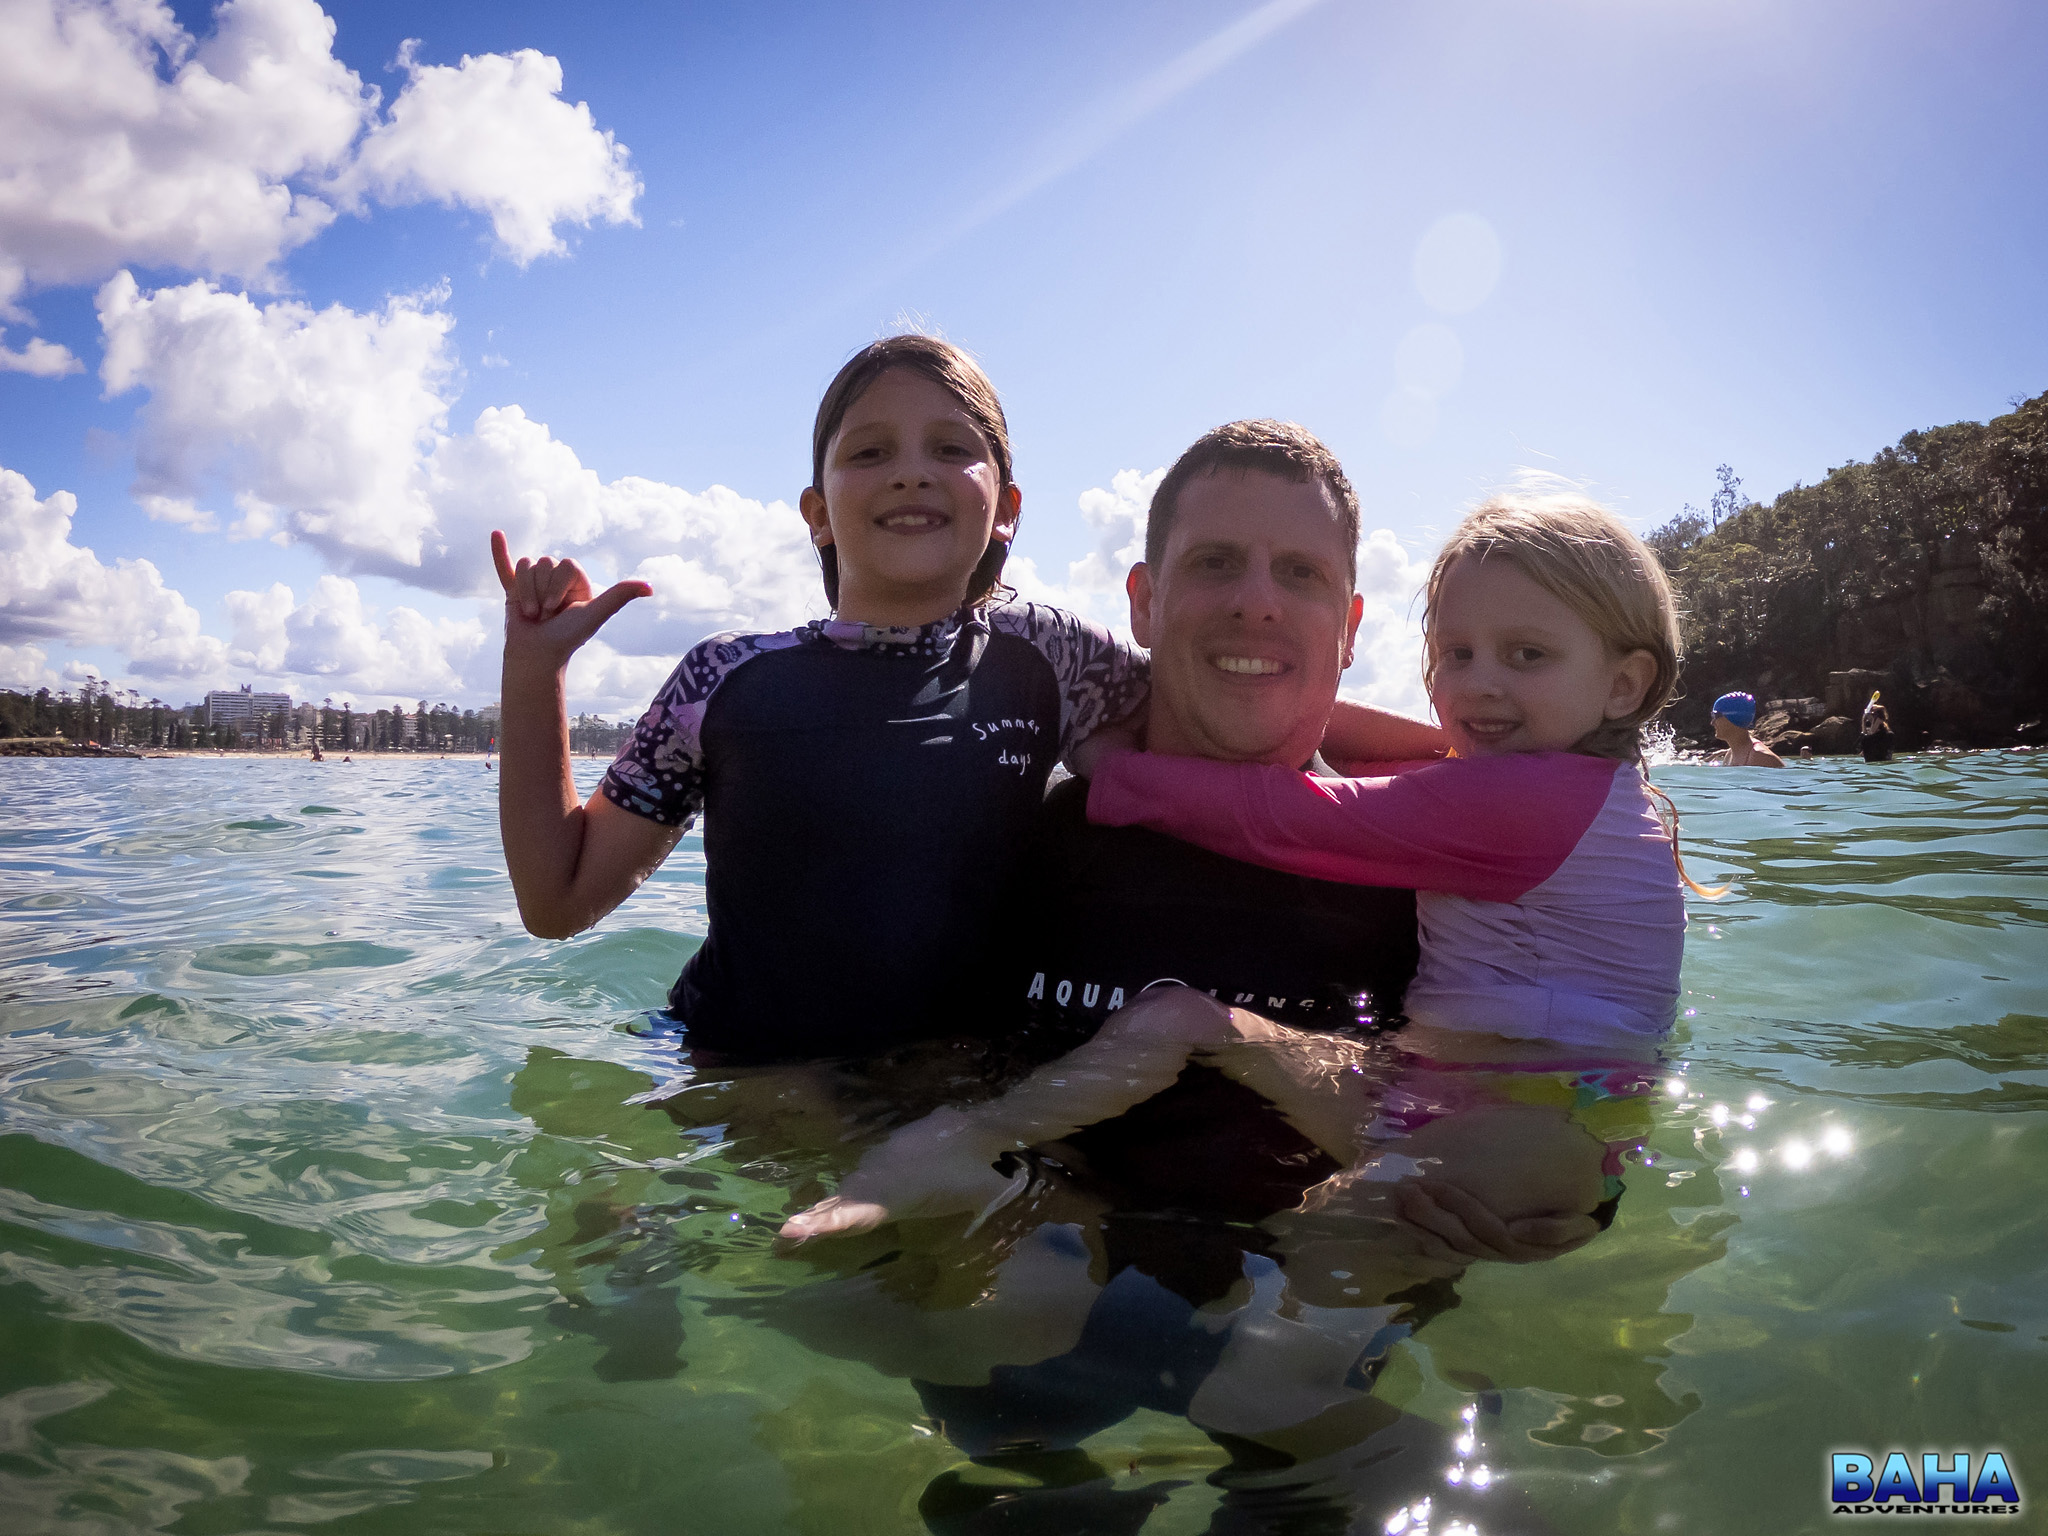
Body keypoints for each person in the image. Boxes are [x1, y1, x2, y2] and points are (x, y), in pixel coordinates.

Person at [784, 489, 1694, 1240]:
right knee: (1191, 1042)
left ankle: (953, 1146)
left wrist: (1110, 764)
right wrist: (1198, 682)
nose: (1477, 686)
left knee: (1294, 1306)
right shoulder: (1563, 792)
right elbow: (1409, 755)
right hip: (1504, 1111)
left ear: (1623, 683)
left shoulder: (1518, 805)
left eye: (1525, 656)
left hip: (1527, 1125)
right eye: (1454, 655)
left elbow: (1278, 818)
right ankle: (965, 1147)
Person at [1708, 690, 1784, 766]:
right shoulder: (1731, 753)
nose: (1712, 723)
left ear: (1734, 718)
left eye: (1716, 716)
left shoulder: (1760, 757)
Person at [1861, 689, 1894, 762]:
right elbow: (1865, 737)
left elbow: (1873, 734)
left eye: (1872, 714)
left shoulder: (1887, 735)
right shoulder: (1866, 738)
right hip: (1872, 765)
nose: (1869, 717)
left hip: (1882, 762)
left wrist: (1881, 708)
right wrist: (1863, 721)